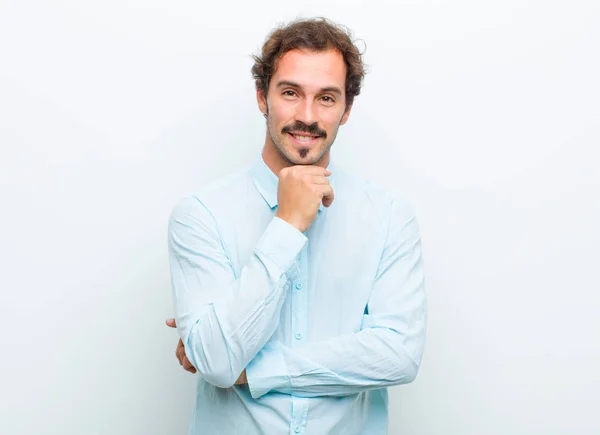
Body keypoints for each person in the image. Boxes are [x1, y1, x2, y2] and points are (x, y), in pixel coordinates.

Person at [165, 17, 427, 435]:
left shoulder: (390, 217)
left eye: (326, 97)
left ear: (347, 110)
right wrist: (287, 225)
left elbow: (398, 354)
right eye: (290, 93)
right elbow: (216, 362)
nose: (307, 116)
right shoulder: (201, 216)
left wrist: (253, 371)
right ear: (261, 97)